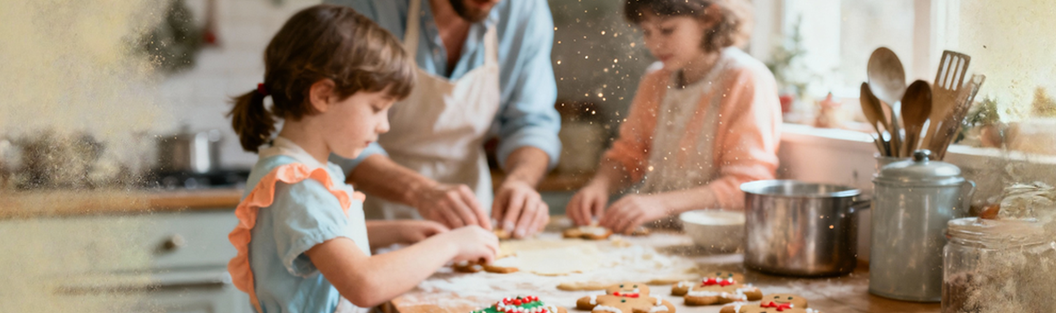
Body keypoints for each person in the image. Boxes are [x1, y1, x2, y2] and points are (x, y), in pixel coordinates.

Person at [221, 6, 499, 313]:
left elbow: (319, 246)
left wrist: (399, 231)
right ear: (323, 94)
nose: (384, 125)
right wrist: (449, 245)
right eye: (376, 107)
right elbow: (364, 284)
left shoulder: (305, 168)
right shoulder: (299, 183)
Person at [324, 0, 560, 239]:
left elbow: (532, 124)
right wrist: (419, 190)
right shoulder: (365, 6)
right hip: (366, 225)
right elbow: (332, 131)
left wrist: (520, 181)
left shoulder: (525, 9)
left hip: (471, 227)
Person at [566, 0, 781, 233]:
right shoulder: (656, 80)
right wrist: (600, 185)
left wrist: (662, 203)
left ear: (710, 18)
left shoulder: (744, 79)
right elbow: (629, 155)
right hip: (656, 234)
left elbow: (746, 185)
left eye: (667, 29)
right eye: (646, 31)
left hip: (713, 243)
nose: (654, 44)